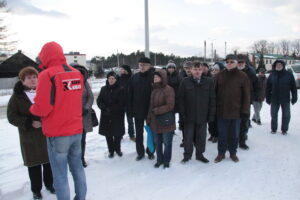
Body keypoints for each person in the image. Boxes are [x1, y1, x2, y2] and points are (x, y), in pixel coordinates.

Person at [30, 41, 87, 200]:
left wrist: (32, 109)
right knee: (78, 169)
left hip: (58, 133)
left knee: (60, 175)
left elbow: (42, 108)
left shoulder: (46, 75)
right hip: (76, 130)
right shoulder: (76, 73)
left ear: (45, 56)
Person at [7, 66, 55, 200]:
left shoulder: (44, 92)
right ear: (22, 81)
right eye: (29, 78)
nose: (33, 80)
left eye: (34, 77)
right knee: (34, 165)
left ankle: (50, 185)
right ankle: (36, 190)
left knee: (48, 163)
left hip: (46, 134)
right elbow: (11, 116)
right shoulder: (17, 97)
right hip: (29, 137)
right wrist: (29, 122)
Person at [214, 54, 250, 163]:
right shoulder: (219, 75)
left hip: (236, 112)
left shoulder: (242, 76)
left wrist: (245, 111)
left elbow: (246, 95)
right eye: (227, 62)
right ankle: (221, 153)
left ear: (236, 63)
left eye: (232, 62)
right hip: (222, 111)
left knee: (234, 135)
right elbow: (214, 93)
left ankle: (233, 153)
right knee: (222, 134)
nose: (229, 64)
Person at [178, 61, 216, 164]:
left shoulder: (209, 82)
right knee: (188, 138)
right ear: (191, 70)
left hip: (202, 116)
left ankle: (200, 155)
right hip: (189, 116)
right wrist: (183, 114)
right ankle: (187, 155)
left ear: (202, 70)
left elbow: (212, 99)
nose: (197, 72)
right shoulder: (185, 82)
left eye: (200, 69)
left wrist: (211, 114)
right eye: (195, 69)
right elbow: (180, 99)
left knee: (201, 138)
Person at [147, 69, 176, 169]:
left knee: (167, 143)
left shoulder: (168, 89)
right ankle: (159, 160)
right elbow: (151, 106)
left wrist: (157, 111)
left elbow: (170, 105)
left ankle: (166, 161)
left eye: (157, 77)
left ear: (162, 78)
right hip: (155, 122)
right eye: (154, 77)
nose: (155, 79)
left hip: (166, 122)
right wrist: (149, 118)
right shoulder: (154, 89)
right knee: (157, 142)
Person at [128, 57, 155, 161]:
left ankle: (151, 152)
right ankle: (140, 152)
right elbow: (129, 95)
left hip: (150, 112)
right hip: (138, 111)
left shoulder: (154, 77)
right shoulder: (134, 78)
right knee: (139, 134)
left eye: (144, 65)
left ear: (149, 66)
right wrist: (130, 111)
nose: (142, 67)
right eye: (140, 65)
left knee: (151, 133)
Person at [97, 72, 125, 158]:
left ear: (116, 80)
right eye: (109, 78)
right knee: (108, 134)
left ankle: (118, 149)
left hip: (117, 115)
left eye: (113, 78)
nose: (111, 80)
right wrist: (104, 108)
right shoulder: (103, 89)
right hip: (106, 115)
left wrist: (112, 109)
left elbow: (122, 103)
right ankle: (111, 150)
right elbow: (99, 100)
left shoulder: (121, 89)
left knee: (117, 134)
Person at [266, 60, 297, 134]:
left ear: (283, 66)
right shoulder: (272, 75)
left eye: (280, 64)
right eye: (277, 64)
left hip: (285, 99)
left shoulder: (289, 75)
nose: (278, 66)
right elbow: (268, 88)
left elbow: (293, 87)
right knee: (273, 115)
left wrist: (294, 97)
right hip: (274, 99)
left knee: (286, 115)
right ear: (275, 66)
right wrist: (268, 97)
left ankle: (284, 129)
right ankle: (274, 129)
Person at [72, 64, 94, 167]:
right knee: (71, 140)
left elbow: (90, 97)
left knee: (82, 139)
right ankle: (72, 160)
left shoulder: (85, 83)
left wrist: (86, 107)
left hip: (83, 116)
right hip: (70, 116)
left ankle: (81, 158)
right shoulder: (67, 83)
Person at [236, 54, 258, 150]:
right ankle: (234, 139)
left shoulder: (251, 72)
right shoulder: (232, 71)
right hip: (233, 102)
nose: (240, 64)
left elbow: (256, 87)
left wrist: (252, 98)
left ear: (245, 63)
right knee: (234, 122)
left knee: (244, 122)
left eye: (242, 62)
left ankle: (242, 140)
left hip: (245, 102)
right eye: (239, 62)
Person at [207, 62, 225, 143]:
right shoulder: (211, 78)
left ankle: (217, 135)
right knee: (211, 121)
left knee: (217, 121)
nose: (214, 71)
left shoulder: (223, 79)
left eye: (216, 69)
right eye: (213, 69)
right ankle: (212, 134)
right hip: (211, 103)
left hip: (219, 104)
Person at [119, 64, 135, 141]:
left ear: (126, 70)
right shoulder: (119, 79)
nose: (121, 70)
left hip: (129, 103)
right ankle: (120, 134)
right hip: (121, 104)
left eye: (122, 69)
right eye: (121, 69)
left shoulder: (132, 78)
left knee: (130, 121)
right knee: (120, 121)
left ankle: (131, 134)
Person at [178, 60, 193, 147]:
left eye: (190, 68)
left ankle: (193, 140)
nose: (188, 70)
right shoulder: (180, 77)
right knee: (184, 124)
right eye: (186, 68)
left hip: (194, 104)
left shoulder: (196, 76)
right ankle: (185, 140)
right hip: (183, 104)